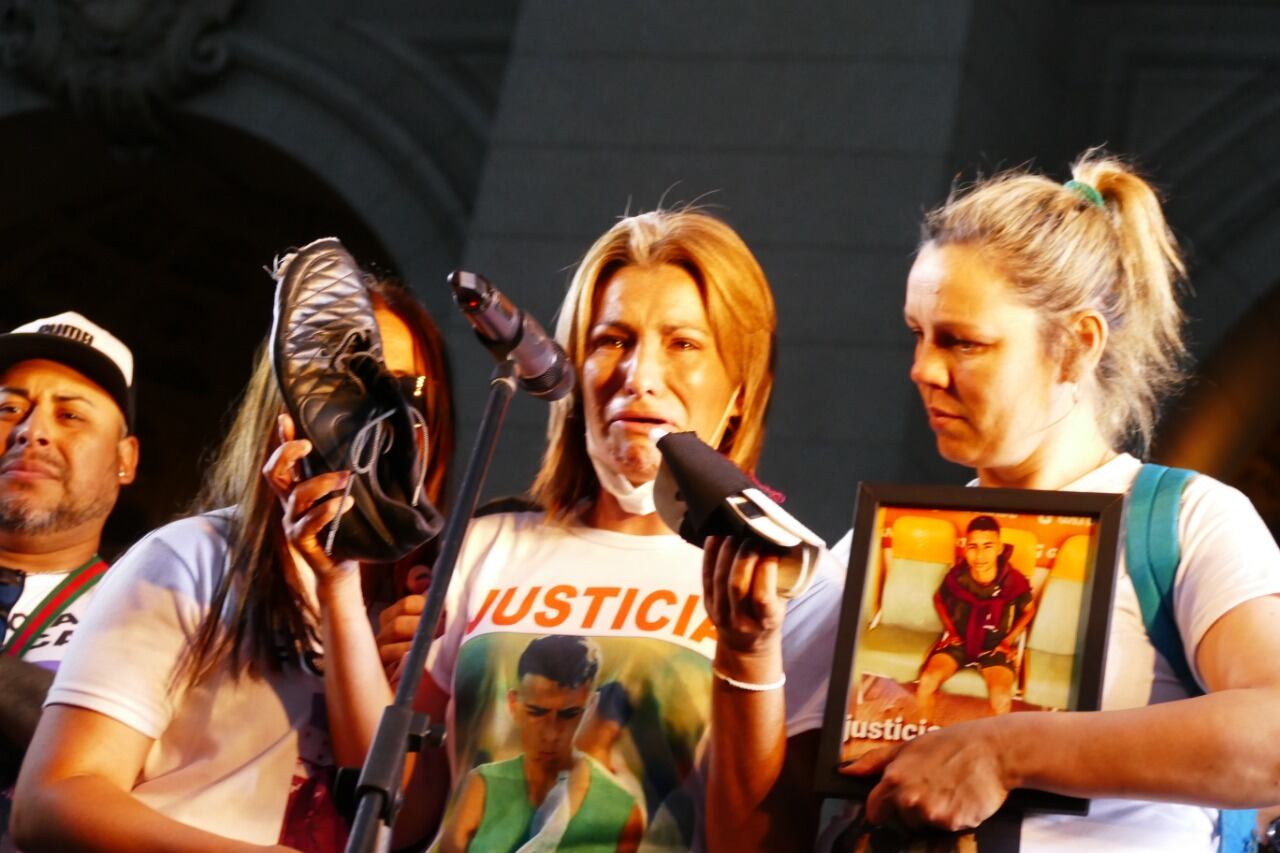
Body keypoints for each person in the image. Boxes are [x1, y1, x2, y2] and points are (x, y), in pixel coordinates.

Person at [703, 150, 1280, 851]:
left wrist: (1007, 749)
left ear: (1074, 345)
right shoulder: (879, 544)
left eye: (963, 343)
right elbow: (757, 830)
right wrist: (747, 652)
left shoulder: (1183, 522)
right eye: (917, 334)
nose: (923, 370)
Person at [377, 208, 839, 851]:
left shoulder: (789, 580)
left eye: (682, 343)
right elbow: (392, 817)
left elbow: (768, 842)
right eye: (612, 340)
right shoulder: (483, 547)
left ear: (739, 389)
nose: (639, 377)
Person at [10, 274, 454, 852]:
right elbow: (52, 801)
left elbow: (401, 826)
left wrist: (343, 590)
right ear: (288, 401)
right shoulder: (194, 555)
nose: (379, 410)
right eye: (343, 380)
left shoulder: (419, 600)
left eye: (402, 386)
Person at [0, 311, 140, 847]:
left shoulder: (148, 612)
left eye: (70, 416)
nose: (30, 431)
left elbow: (113, 765)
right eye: (8, 407)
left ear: (125, 460)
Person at [436, 634, 643, 852]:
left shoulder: (622, 810)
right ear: (514, 704)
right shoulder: (483, 786)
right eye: (537, 712)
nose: (551, 733)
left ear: (590, 707)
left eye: (569, 714)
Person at [916, 515, 1033, 719]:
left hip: (995, 647)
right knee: (927, 681)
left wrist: (1008, 640)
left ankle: (987, 745)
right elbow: (938, 598)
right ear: (965, 548)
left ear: (998, 548)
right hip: (961, 641)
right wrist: (951, 630)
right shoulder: (957, 576)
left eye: (987, 546)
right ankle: (924, 736)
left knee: (1002, 698)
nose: (979, 555)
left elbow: (1030, 610)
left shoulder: (1014, 580)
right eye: (973, 547)